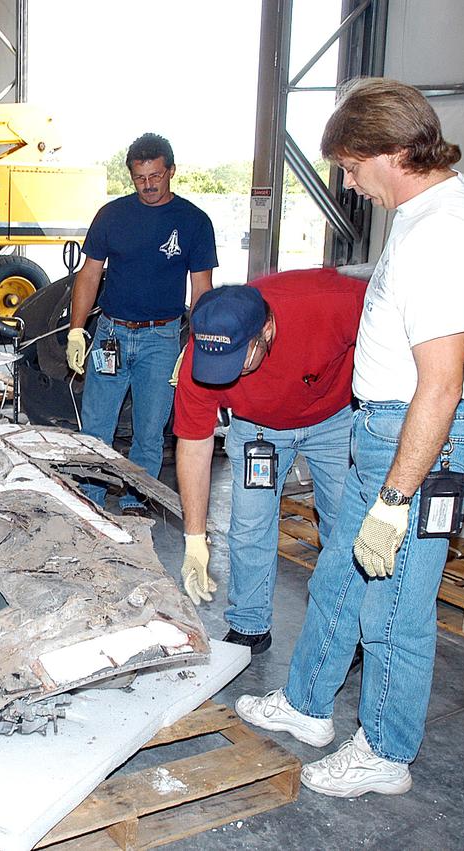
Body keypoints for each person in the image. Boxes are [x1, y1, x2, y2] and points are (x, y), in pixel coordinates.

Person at [235, 77, 464, 799]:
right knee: (339, 575)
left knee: (394, 610)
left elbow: (442, 387)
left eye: (353, 169)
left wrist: (396, 498)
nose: (351, 186)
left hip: (422, 445)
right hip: (388, 432)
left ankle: (386, 751)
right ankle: (306, 705)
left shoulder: (442, 232)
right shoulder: (451, 202)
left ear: (391, 150)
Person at [175, 270, 366, 656]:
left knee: (345, 525)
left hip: (333, 419)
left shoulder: (331, 301)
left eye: (236, 361)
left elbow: (402, 326)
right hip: (258, 430)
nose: (224, 376)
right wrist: (194, 539)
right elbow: (194, 445)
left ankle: (349, 627)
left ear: (265, 330)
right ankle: (249, 625)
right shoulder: (204, 351)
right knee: (249, 526)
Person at [66, 132, 217, 516]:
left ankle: (136, 501)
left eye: (155, 176)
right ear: (131, 176)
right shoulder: (112, 216)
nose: (148, 186)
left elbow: (202, 288)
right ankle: (91, 501)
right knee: (96, 428)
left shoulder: (194, 222)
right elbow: (89, 275)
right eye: (139, 178)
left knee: (150, 432)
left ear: (171, 171)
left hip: (162, 339)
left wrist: (194, 346)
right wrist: (76, 329)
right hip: (111, 335)